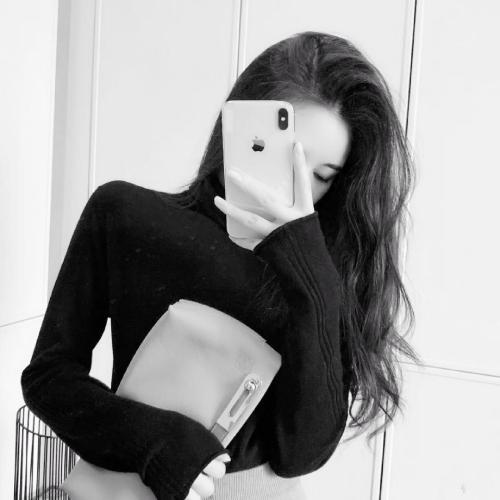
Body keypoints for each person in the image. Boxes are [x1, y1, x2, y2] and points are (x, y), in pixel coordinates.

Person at [21, 31, 421, 500]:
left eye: (321, 175)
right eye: (284, 156)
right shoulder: (125, 215)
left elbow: (301, 455)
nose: (297, 186)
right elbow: (48, 379)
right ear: (240, 126)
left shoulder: (325, 268)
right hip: (129, 486)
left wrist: (311, 275)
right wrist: (154, 442)